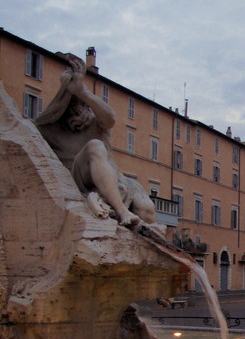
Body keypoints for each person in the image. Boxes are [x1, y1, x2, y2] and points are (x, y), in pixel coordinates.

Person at [35, 54, 156, 227]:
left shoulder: (98, 122)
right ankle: (122, 211)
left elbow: (110, 119)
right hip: (78, 179)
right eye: (73, 103)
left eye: (83, 103)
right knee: (95, 146)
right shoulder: (50, 129)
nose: (79, 107)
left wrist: (82, 92)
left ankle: (147, 230)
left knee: (145, 207)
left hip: (113, 176)